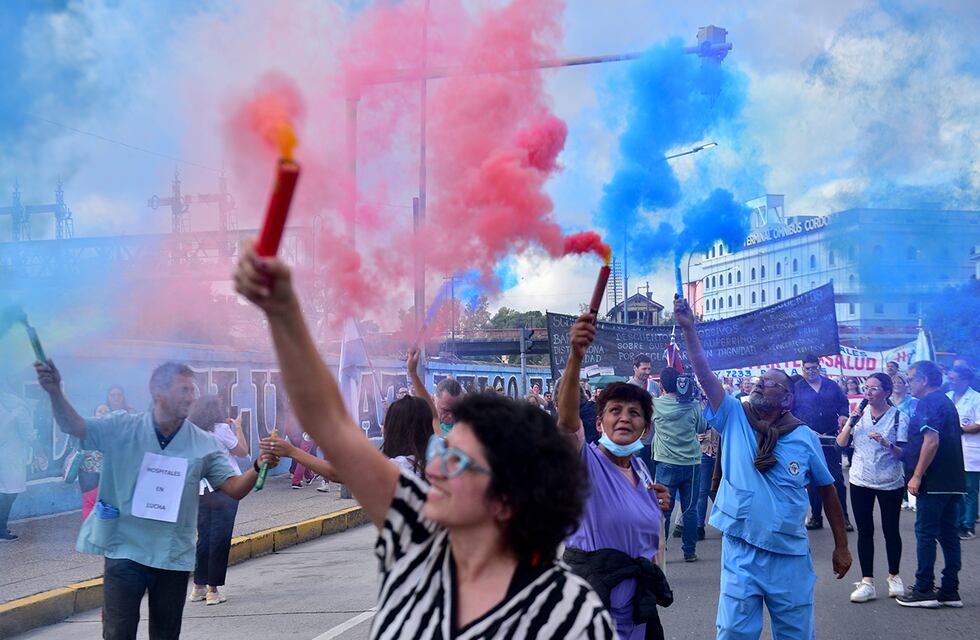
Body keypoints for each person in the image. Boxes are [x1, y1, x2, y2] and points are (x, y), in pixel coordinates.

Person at [235, 247, 615, 639]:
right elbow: (329, 422)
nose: (433, 468)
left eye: (456, 461)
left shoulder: (572, 616)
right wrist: (284, 312)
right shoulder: (417, 533)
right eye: (441, 453)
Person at [34, 359, 278, 639]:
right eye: (183, 390)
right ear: (157, 390)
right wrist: (54, 392)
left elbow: (233, 488)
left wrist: (259, 465)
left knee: (165, 634)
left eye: (193, 391)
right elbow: (74, 426)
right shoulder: (121, 426)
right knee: (117, 633)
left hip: (170, 556)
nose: (191, 397)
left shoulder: (203, 442)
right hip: (124, 550)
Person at [674, 297, 851, 639]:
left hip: (789, 556)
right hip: (741, 551)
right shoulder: (734, 415)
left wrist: (841, 545)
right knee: (734, 634)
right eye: (758, 380)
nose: (758, 383)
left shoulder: (803, 436)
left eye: (769, 382)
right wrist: (688, 329)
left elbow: (827, 489)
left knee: (795, 635)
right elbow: (704, 373)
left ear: (787, 398)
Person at [556, 313, 672, 639]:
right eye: (615, 410)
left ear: (645, 429)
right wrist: (575, 356)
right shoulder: (584, 460)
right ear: (598, 423)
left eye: (634, 413)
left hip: (636, 612)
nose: (624, 418)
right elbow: (566, 420)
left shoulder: (640, 469)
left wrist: (655, 503)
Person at [897, 360, 967, 608]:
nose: (908, 384)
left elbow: (931, 441)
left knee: (925, 534)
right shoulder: (946, 401)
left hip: (934, 480)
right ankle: (949, 589)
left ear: (924, 380)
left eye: (911, 379)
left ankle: (924, 588)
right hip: (953, 480)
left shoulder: (929, 402)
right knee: (949, 535)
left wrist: (916, 475)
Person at [835, 373, 909, 603]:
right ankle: (867, 582)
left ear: (886, 392)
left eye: (874, 388)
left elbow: (903, 454)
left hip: (889, 481)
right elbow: (841, 444)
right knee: (865, 531)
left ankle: (894, 576)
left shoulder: (899, 417)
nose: (868, 392)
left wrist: (887, 443)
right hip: (860, 480)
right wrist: (850, 422)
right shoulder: (858, 414)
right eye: (866, 387)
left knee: (890, 529)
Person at [188, 395, 247, 606]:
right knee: (220, 539)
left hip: (203, 489)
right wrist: (239, 427)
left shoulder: (192, 432)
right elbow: (242, 451)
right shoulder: (221, 429)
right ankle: (213, 589)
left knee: (204, 538)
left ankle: (198, 587)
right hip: (226, 487)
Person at [652, 367, 707, 562]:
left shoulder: (655, 405)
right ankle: (689, 551)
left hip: (666, 463)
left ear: (661, 385)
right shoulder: (693, 405)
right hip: (691, 463)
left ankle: (662, 550)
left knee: (663, 509)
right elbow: (702, 427)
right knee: (690, 509)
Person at [793, 354, 853, 531]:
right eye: (807, 368)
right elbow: (791, 411)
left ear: (819, 367)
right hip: (808, 439)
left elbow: (843, 403)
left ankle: (844, 518)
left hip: (829, 438)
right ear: (802, 369)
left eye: (814, 368)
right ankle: (816, 517)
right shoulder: (797, 388)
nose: (811, 371)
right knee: (812, 481)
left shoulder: (831, 385)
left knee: (836, 479)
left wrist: (843, 415)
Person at [946, 365, 980, 540]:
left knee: (970, 491)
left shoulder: (977, 398)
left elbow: (979, 423)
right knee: (956, 489)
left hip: (971, 452)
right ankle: (957, 521)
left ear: (966, 380)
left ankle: (968, 526)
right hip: (951, 451)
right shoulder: (947, 397)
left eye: (954, 378)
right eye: (950, 378)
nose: (950, 381)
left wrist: (961, 430)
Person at [0, 390, 33, 542]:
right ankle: (1, 528)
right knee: (10, 493)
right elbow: (27, 432)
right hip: (11, 456)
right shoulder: (17, 407)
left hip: (8, 455)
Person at [695, 424, 720, 542]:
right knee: (702, 492)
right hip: (703, 454)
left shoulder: (722, 408)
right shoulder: (697, 409)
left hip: (720, 455)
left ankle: (726, 524)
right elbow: (686, 429)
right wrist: (695, 436)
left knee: (720, 492)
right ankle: (700, 527)